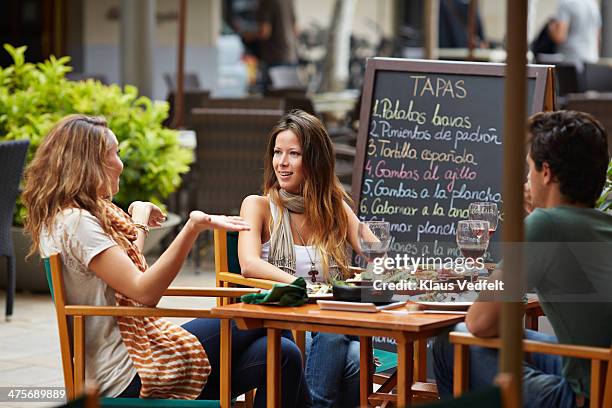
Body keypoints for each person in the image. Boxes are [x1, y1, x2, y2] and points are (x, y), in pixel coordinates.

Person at [22, 114, 311, 407]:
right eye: (115, 153)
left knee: (282, 356)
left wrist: (140, 220)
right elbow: (145, 292)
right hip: (127, 372)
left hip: (140, 350)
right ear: (91, 162)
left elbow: (125, 270)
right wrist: (193, 227)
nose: (120, 164)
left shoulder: (75, 216)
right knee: (268, 314)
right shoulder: (77, 223)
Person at [433, 110, 612, 408]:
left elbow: (481, 323)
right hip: (597, 371)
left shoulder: (546, 225)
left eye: (528, 168)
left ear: (546, 173)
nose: (526, 179)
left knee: (452, 342)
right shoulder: (602, 225)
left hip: (587, 396)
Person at [238, 110, 362, 407]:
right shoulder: (258, 206)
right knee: (337, 340)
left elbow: (376, 250)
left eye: (293, 154)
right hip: (283, 318)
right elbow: (249, 264)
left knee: (355, 355)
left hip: (326, 319)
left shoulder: (333, 210)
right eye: (277, 152)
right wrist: (302, 287)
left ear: (314, 161)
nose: (281, 162)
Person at [240, 0, 298, 92]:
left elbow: (264, 32)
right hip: (291, 54)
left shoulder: (267, 1)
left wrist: (245, 35)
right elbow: (296, 30)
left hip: (274, 56)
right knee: (289, 98)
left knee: (272, 99)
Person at [548, 0, 601, 70]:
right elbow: (597, 38)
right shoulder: (592, 4)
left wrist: (551, 27)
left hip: (571, 61)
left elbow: (559, 36)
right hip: (592, 60)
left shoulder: (565, 2)